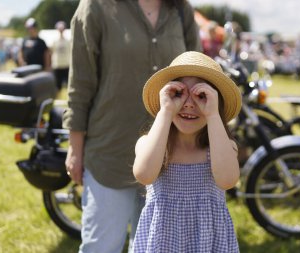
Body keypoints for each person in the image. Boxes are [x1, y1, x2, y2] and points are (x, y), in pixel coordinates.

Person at [62, 0, 201, 252]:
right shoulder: (96, 7)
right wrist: (75, 148)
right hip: (110, 153)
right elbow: (80, 86)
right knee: (101, 247)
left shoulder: (181, 9)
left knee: (154, 247)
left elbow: (200, 75)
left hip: (170, 159)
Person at [132, 51, 241, 252]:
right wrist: (166, 111)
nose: (189, 104)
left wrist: (212, 114)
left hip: (208, 246)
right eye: (179, 94)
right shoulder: (150, 144)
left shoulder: (222, 148)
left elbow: (227, 180)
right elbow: (144, 174)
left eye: (201, 95)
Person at [51, 21, 71, 90]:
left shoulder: (68, 40)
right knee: (57, 86)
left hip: (66, 65)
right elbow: (51, 52)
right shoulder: (54, 41)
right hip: (57, 66)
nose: (61, 30)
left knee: (69, 85)